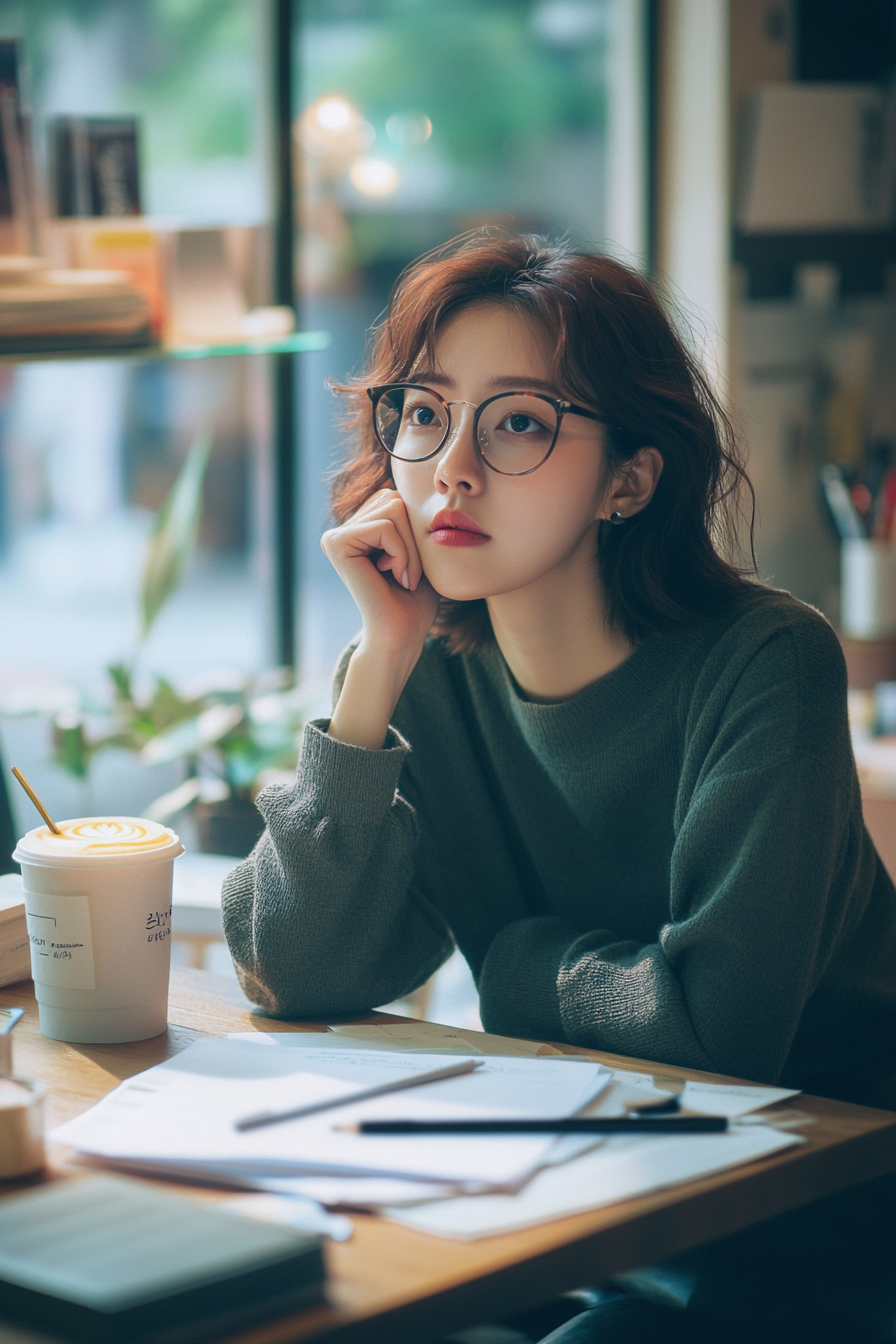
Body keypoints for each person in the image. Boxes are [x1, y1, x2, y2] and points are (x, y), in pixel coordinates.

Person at [222, 233, 896, 1344]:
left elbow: (716, 1039)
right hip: (576, 1175)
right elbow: (293, 973)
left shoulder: (765, 661)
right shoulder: (416, 668)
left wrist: (517, 962)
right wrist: (375, 666)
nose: (452, 468)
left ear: (627, 480)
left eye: (519, 422)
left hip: (822, 1203)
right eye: (425, 412)